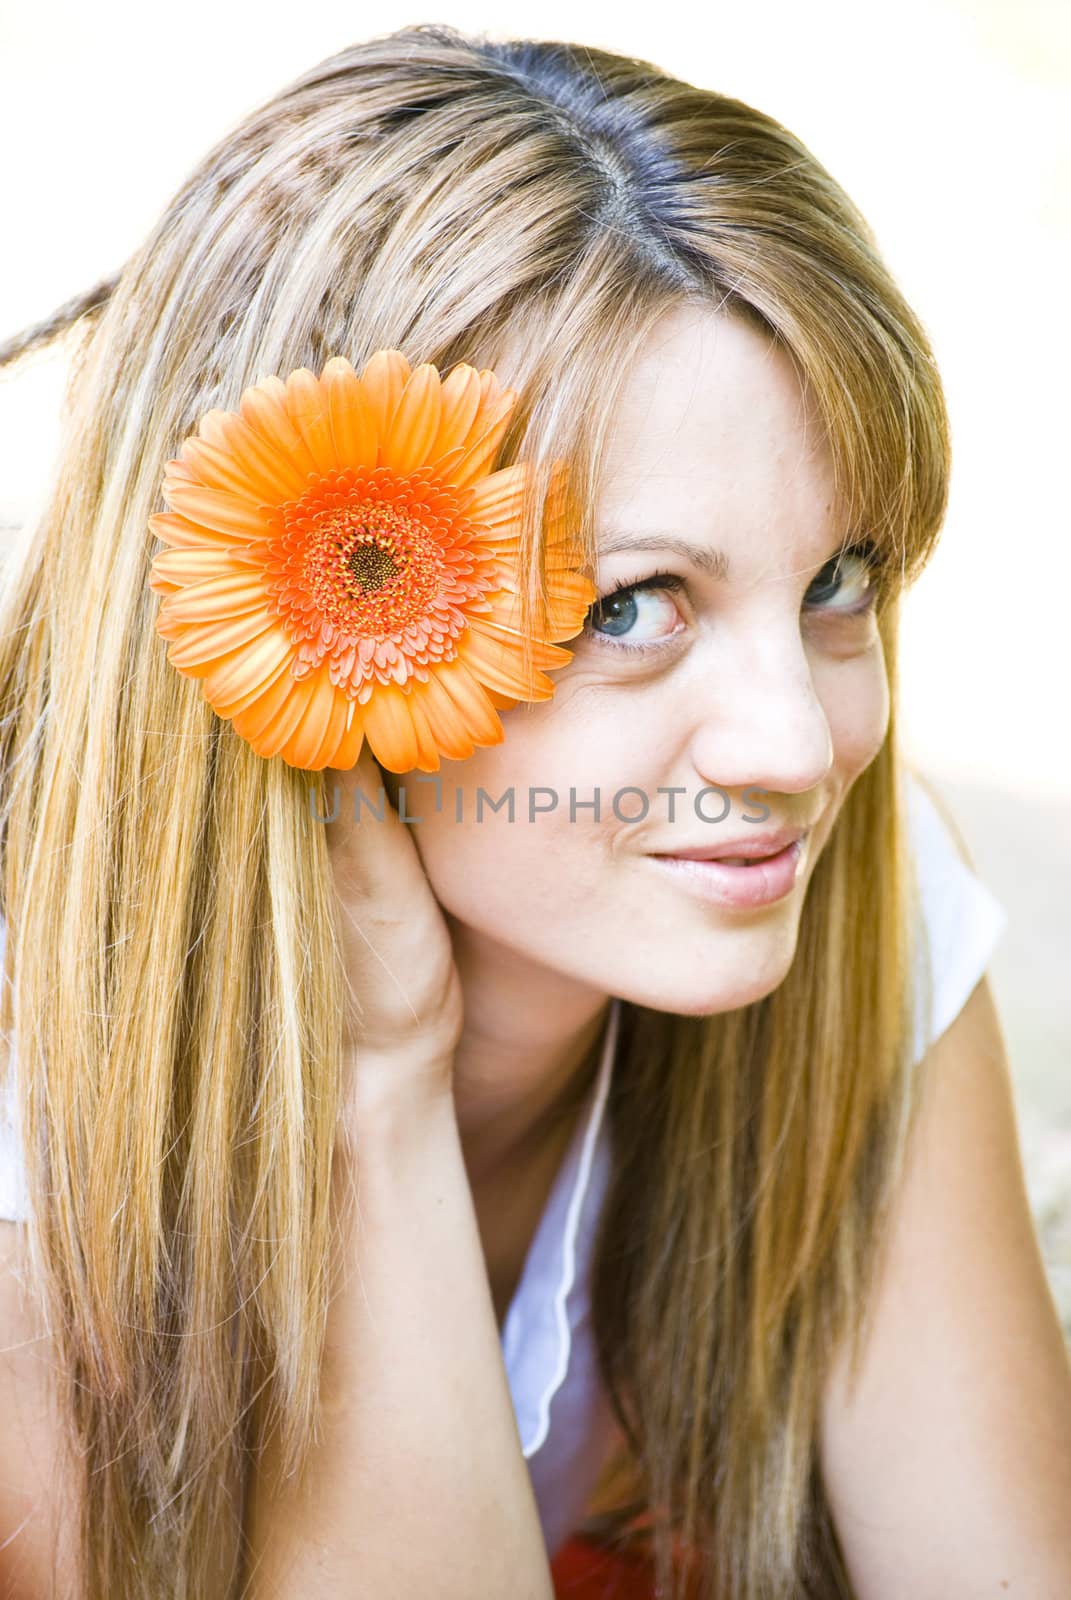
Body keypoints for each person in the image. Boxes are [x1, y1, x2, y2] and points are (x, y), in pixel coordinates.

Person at [0, 21, 1069, 1600]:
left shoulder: (860, 925)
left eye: (838, 584)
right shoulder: (28, 1177)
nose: (806, 741)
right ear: (304, 621)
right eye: (633, 605)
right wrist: (375, 1085)